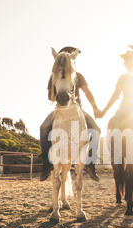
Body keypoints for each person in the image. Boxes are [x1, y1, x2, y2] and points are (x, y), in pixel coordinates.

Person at [40, 46, 102, 181]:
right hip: (60, 109)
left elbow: (87, 93)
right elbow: (50, 98)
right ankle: (46, 164)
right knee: (44, 128)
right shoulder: (53, 76)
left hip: (77, 109)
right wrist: (56, 92)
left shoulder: (78, 76)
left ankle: (90, 163)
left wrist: (95, 108)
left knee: (96, 129)